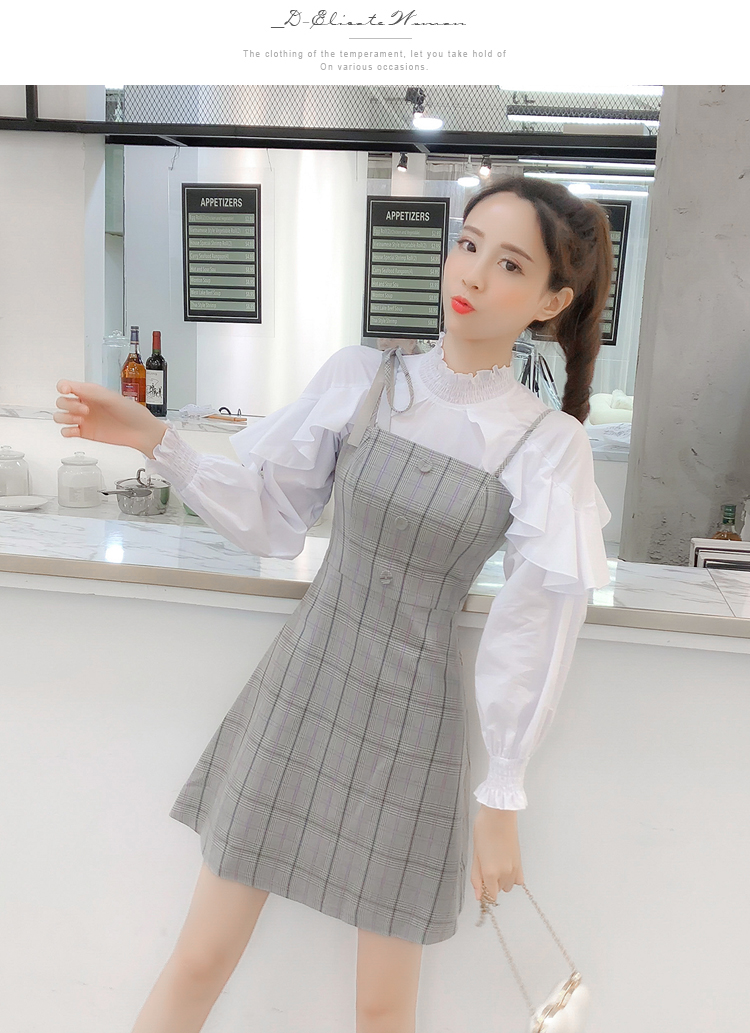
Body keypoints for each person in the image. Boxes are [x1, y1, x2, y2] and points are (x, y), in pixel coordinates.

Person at [54, 174, 613, 1033]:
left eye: (509, 264)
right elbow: (273, 522)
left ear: (551, 301)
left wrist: (502, 793)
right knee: (200, 958)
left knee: (383, 1010)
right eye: (467, 244)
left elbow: (535, 627)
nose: (471, 273)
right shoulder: (362, 377)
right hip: (303, 690)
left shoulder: (547, 443)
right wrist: (155, 438)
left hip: (412, 729)